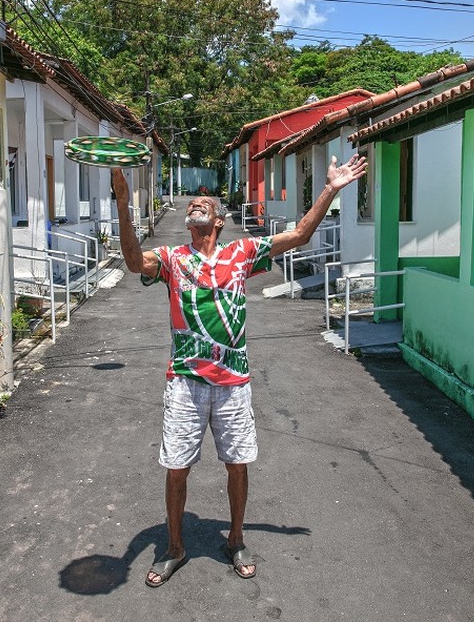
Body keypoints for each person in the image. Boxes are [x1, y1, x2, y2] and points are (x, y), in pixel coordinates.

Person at [111, 154, 367, 587]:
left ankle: (235, 538)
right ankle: (175, 548)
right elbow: (135, 262)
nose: (196, 203)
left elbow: (300, 235)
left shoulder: (242, 253)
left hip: (233, 384)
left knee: (238, 464)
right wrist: (122, 204)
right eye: (193, 203)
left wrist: (331, 188)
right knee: (176, 466)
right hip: (185, 382)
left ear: (218, 221)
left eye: (204, 205)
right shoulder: (173, 258)